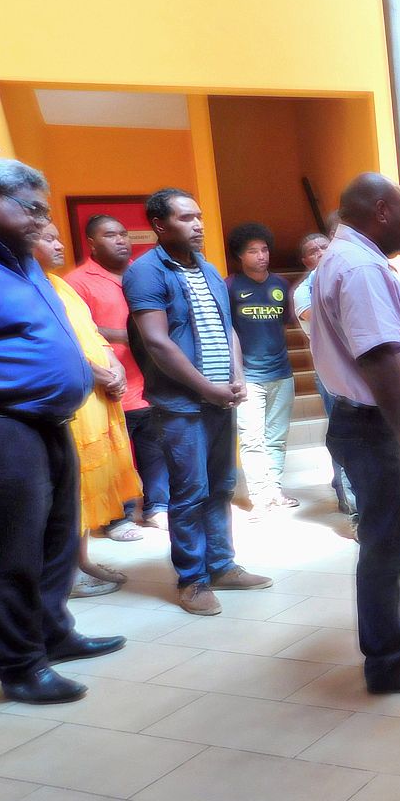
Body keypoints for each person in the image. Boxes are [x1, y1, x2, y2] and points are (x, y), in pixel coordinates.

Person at [0, 159, 125, 704]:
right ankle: (20, 665)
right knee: (12, 552)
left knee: (58, 540)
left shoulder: (18, 257)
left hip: (49, 421)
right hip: (1, 425)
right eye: (32, 208)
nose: (42, 220)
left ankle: (54, 635)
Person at [309, 172, 400, 695]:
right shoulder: (360, 267)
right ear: (381, 211)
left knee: (390, 540)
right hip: (377, 428)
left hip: (370, 424)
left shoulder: (348, 260)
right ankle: (388, 663)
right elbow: (375, 355)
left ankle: (395, 633)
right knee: (385, 546)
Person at [124, 189, 272, 615]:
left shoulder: (208, 270)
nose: (198, 224)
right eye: (186, 218)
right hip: (181, 404)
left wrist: (237, 376)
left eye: (200, 217)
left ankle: (222, 565)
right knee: (190, 492)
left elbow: (228, 331)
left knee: (222, 485)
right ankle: (192, 579)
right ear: (159, 225)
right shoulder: (146, 272)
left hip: (219, 400)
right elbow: (156, 341)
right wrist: (206, 388)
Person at [34, 222, 142, 596]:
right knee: (72, 489)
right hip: (76, 403)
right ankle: (68, 573)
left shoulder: (59, 284)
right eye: (48, 238)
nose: (60, 244)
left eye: (57, 236)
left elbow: (93, 334)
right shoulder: (34, 289)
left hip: (99, 398)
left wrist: (113, 367)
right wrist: (99, 372)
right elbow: (61, 348)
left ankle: (83, 561)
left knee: (88, 483)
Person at [65, 213, 169, 534]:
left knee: (153, 448)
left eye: (123, 234)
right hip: (109, 387)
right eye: (111, 235)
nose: (121, 240)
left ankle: (157, 507)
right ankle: (118, 516)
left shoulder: (143, 273)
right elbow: (77, 331)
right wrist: (132, 335)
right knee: (114, 455)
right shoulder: (76, 282)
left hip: (149, 381)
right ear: (92, 243)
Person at [226, 222, 297, 514]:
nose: (261, 256)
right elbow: (228, 331)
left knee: (276, 438)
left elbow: (283, 324)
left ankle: (275, 489)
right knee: (252, 438)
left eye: (264, 249)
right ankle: (259, 495)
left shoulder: (280, 285)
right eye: (252, 251)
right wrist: (237, 375)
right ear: (240, 256)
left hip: (281, 373)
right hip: (248, 378)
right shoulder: (229, 286)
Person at [291, 230, 356, 518]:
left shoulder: (347, 278)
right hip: (331, 373)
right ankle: (350, 500)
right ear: (306, 260)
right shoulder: (302, 291)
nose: (320, 253)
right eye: (313, 251)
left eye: (324, 247)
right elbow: (325, 318)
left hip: (360, 371)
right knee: (344, 434)